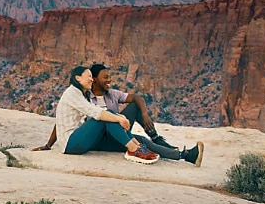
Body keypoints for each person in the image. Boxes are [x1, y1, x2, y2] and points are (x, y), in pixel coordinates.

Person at [37, 65, 204, 166]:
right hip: (74, 143)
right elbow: (95, 114)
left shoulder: (85, 94)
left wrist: (48, 145)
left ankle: (185, 155)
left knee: (142, 140)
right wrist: (118, 118)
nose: (91, 80)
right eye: (89, 77)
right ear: (77, 78)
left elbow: (63, 121)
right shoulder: (73, 93)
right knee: (106, 115)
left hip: (95, 138)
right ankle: (133, 149)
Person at [33, 63, 175, 150]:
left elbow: (136, 97)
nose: (109, 80)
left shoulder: (111, 94)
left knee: (132, 113)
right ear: (94, 80)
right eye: (105, 78)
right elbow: (65, 120)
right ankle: (134, 147)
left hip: (118, 132)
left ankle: (161, 142)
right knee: (107, 114)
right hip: (99, 137)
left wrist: (143, 114)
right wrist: (49, 144)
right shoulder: (82, 96)